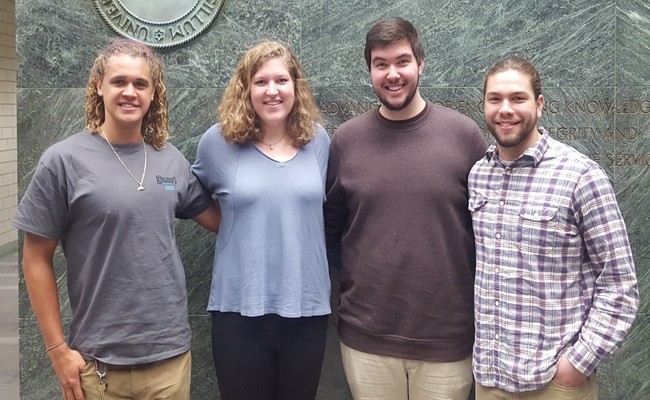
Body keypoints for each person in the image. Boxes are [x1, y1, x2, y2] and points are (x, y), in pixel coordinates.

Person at [14, 39, 220, 400]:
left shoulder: (170, 160)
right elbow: (34, 258)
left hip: (169, 362)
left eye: (140, 84)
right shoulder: (62, 161)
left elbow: (220, 220)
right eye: (119, 82)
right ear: (99, 86)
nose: (130, 92)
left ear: (154, 92)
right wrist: (57, 350)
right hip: (97, 369)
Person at [324, 18, 488, 400]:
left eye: (402, 61)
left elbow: (486, 230)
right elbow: (331, 230)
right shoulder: (346, 140)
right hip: (367, 337)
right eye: (381, 64)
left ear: (421, 64)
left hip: (447, 340)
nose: (392, 74)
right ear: (370, 71)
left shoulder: (463, 135)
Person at [469, 56, 639, 400]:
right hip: (489, 379)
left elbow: (620, 284)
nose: (505, 109)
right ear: (484, 105)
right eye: (495, 99)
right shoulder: (478, 175)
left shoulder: (580, 176)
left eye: (518, 98)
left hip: (553, 384)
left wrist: (577, 364)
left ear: (539, 104)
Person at [191, 40, 331, 400]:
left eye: (281, 81)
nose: (272, 91)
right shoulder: (218, 142)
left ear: (295, 87)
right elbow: (192, 198)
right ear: (246, 88)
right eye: (261, 82)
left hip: (306, 308)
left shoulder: (318, 141)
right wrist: (233, 226)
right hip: (239, 311)